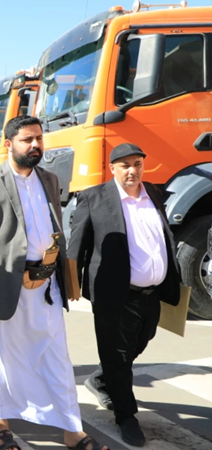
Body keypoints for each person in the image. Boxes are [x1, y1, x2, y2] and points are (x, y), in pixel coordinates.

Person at [0, 115, 107, 450]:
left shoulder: (50, 179)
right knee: (2, 361)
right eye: (27, 139)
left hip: (46, 286)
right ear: (8, 144)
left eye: (39, 138)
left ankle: (72, 430)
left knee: (56, 358)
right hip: (2, 288)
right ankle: (1, 425)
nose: (36, 145)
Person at [68, 143, 181, 447]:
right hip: (113, 294)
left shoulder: (153, 193)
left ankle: (101, 379)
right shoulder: (93, 198)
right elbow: (76, 245)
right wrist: (70, 285)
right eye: (125, 165)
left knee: (141, 340)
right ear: (112, 168)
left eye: (137, 164)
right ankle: (126, 415)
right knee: (117, 355)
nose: (133, 171)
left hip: (151, 293)